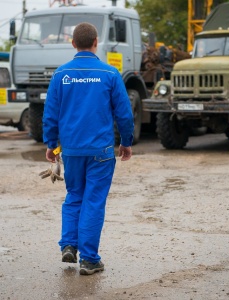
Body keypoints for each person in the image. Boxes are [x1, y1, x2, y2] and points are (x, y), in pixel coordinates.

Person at [42, 22, 134, 275]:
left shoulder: (61, 75)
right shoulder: (110, 74)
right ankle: (90, 260)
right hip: (100, 152)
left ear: (73, 44)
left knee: (74, 197)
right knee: (93, 201)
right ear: (96, 42)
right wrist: (126, 142)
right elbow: (124, 114)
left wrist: (51, 145)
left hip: (71, 150)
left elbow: (50, 114)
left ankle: (69, 244)